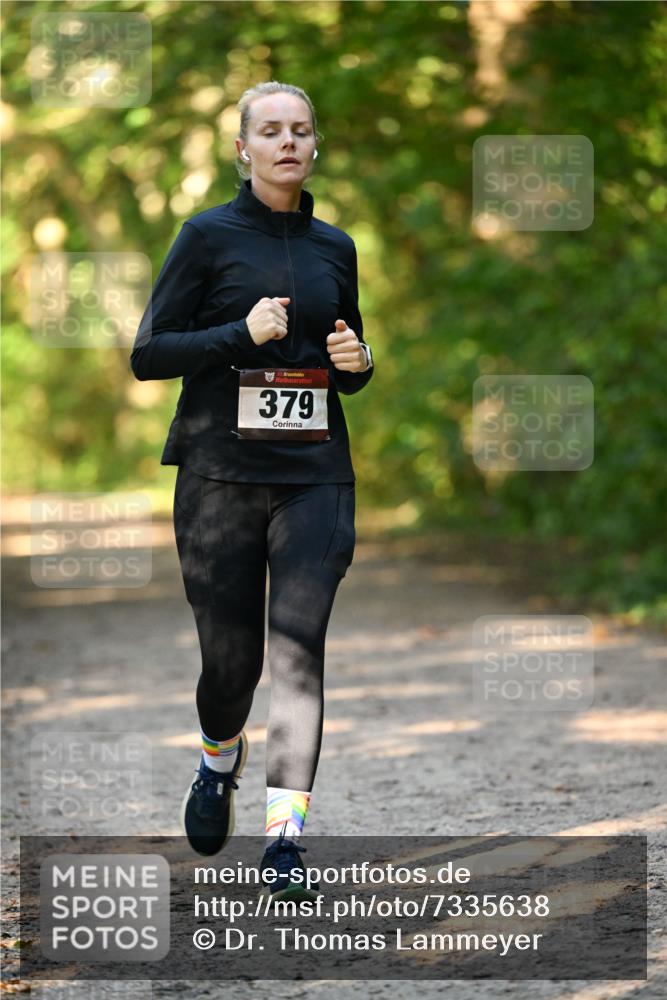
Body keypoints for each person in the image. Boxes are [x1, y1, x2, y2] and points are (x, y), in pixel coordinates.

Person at [129, 81, 374, 903]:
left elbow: (348, 358)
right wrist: (239, 335)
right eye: (269, 131)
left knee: (300, 654)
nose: (287, 142)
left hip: (313, 477)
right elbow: (149, 352)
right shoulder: (204, 237)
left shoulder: (335, 247)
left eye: (300, 130)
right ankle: (214, 759)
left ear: (315, 146)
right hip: (218, 477)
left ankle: (284, 843)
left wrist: (358, 363)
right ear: (243, 149)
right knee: (231, 664)